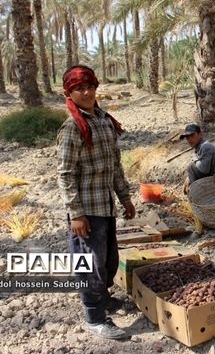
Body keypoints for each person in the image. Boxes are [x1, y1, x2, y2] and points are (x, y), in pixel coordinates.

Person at [57, 65, 135, 340]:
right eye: (79, 88)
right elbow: (65, 174)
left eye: (90, 86)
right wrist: (75, 214)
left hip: (105, 206)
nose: (87, 92)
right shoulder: (72, 128)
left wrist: (125, 198)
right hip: (86, 211)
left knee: (108, 260)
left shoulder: (104, 121)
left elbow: (115, 166)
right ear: (69, 93)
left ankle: (104, 298)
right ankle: (94, 317)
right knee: (89, 263)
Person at [180, 123, 215, 192]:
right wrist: (189, 177)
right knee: (191, 169)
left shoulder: (206, 146)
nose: (189, 139)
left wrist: (194, 158)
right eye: (187, 137)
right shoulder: (199, 147)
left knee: (191, 167)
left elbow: (203, 169)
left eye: (192, 135)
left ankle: (196, 195)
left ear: (200, 134)